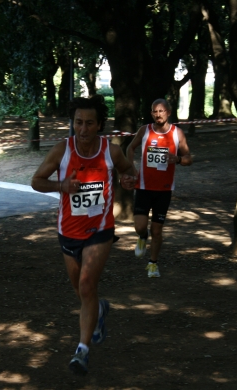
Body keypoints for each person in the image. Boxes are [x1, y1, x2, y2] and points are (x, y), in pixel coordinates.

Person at [31, 95, 136, 376]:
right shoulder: (61, 150)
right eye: (78, 122)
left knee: (87, 285)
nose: (83, 128)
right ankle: (99, 310)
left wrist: (128, 179)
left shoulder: (111, 151)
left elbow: (130, 172)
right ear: (72, 123)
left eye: (90, 123)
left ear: (100, 124)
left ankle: (82, 351)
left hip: (100, 230)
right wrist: (61, 185)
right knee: (80, 290)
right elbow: (36, 181)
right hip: (68, 231)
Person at [126, 99, 192, 278]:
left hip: (163, 190)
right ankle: (141, 237)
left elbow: (188, 158)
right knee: (140, 226)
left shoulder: (177, 133)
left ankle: (153, 263)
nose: (158, 114)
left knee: (157, 229)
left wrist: (177, 159)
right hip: (144, 187)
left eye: (161, 111)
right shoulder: (144, 130)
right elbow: (130, 148)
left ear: (168, 112)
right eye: (155, 111)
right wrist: (131, 170)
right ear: (151, 113)